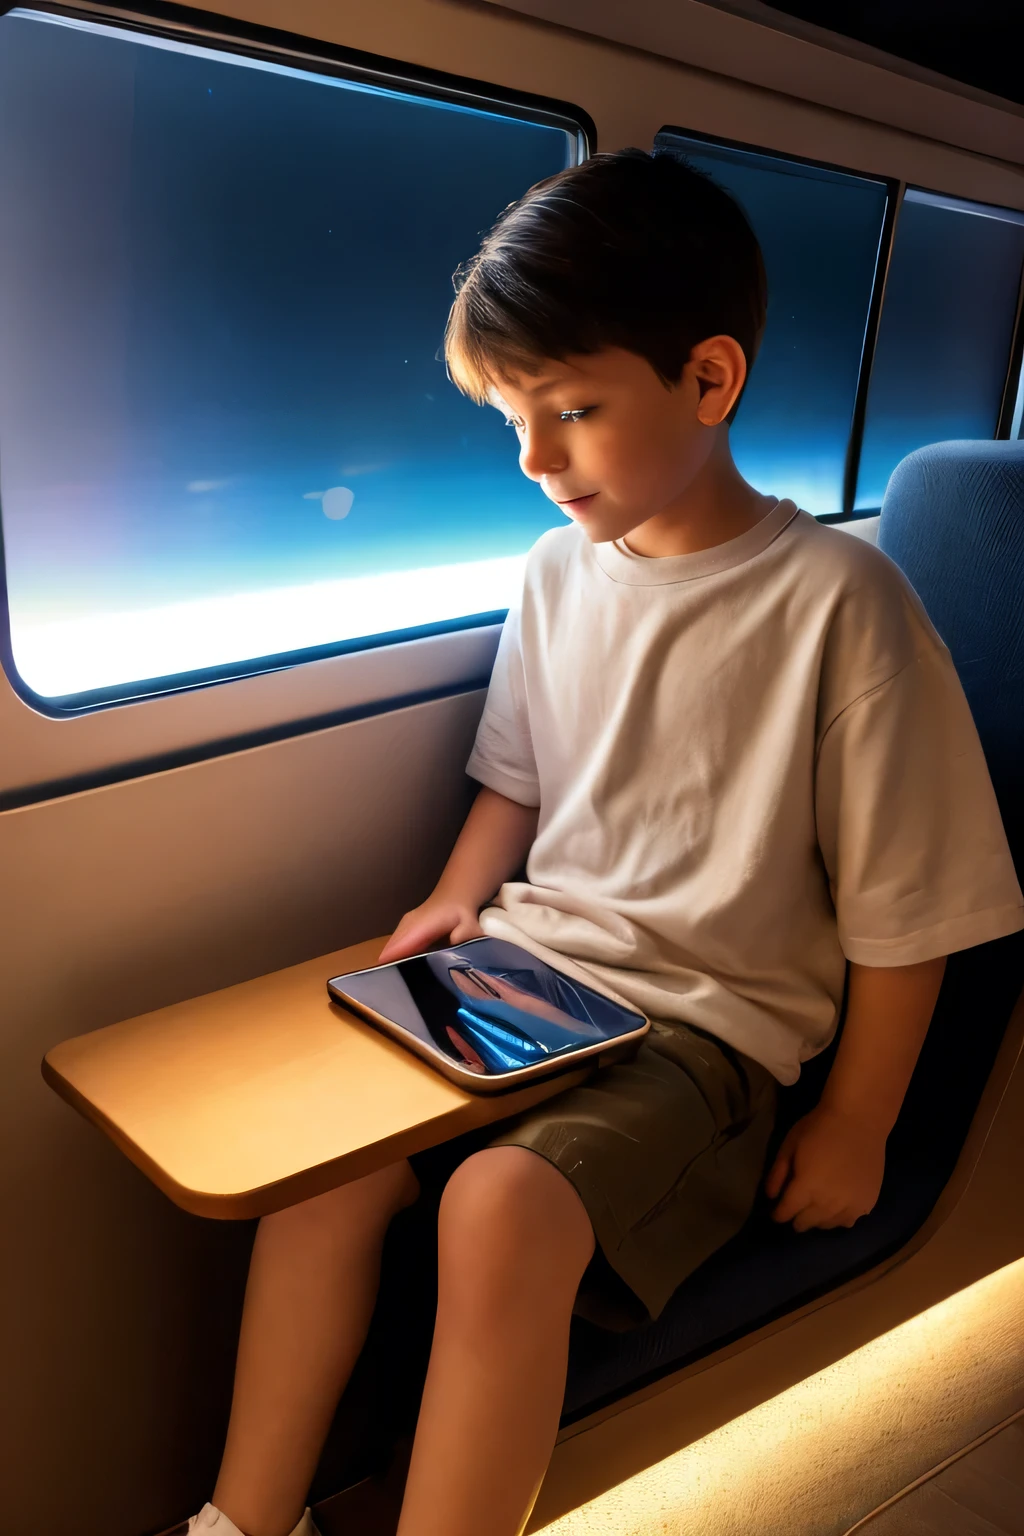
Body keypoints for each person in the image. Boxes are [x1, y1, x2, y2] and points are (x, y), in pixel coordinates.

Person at [181, 150, 1023, 1536]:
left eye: (571, 410)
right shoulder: (556, 571)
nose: (533, 459)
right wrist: (452, 907)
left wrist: (859, 1122)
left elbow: (907, 907)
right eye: (514, 417)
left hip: (709, 1026)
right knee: (318, 1171)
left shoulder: (840, 604)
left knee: (499, 1208)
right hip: (530, 972)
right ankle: (240, 1522)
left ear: (709, 380)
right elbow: (513, 788)